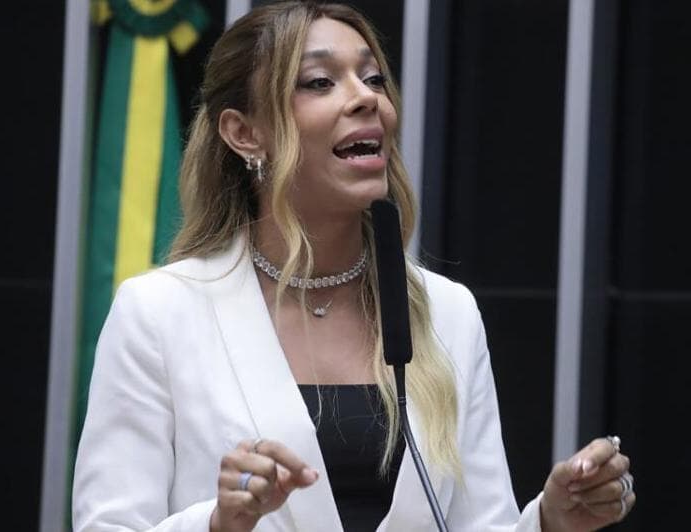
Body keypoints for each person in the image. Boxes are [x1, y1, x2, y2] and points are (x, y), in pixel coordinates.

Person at [72, 2, 636, 531]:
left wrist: (549, 521)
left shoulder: (448, 312)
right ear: (245, 134)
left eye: (373, 79)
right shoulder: (159, 312)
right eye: (320, 82)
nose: (366, 98)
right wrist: (218, 522)